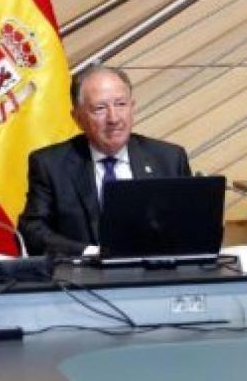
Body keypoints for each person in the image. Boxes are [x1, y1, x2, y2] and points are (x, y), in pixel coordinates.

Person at [18, 65, 192, 256]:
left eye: (121, 104)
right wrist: (90, 253)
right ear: (77, 118)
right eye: (100, 108)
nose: (114, 118)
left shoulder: (169, 158)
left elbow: (190, 223)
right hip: (84, 278)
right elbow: (33, 230)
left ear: (132, 107)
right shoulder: (50, 165)